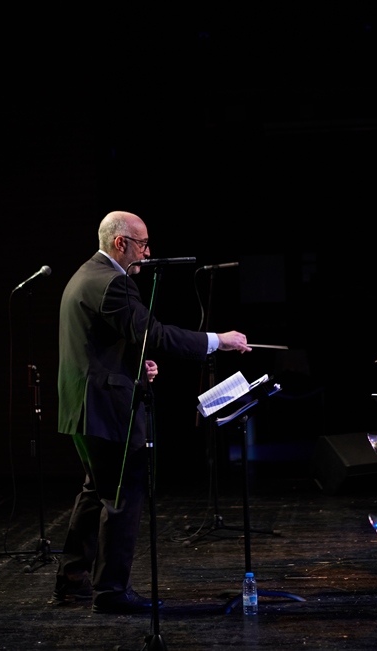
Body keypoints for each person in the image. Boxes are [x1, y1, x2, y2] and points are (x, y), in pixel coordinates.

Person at [54, 211, 250, 614]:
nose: (148, 252)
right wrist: (218, 340)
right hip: (106, 410)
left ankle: (73, 580)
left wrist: (133, 365)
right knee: (122, 496)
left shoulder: (85, 276)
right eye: (143, 244)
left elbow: (98, 344)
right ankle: (109, 592)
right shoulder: (113, 283)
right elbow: (155, 334)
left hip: (84, 407)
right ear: (120, 243)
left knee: (96, 493)